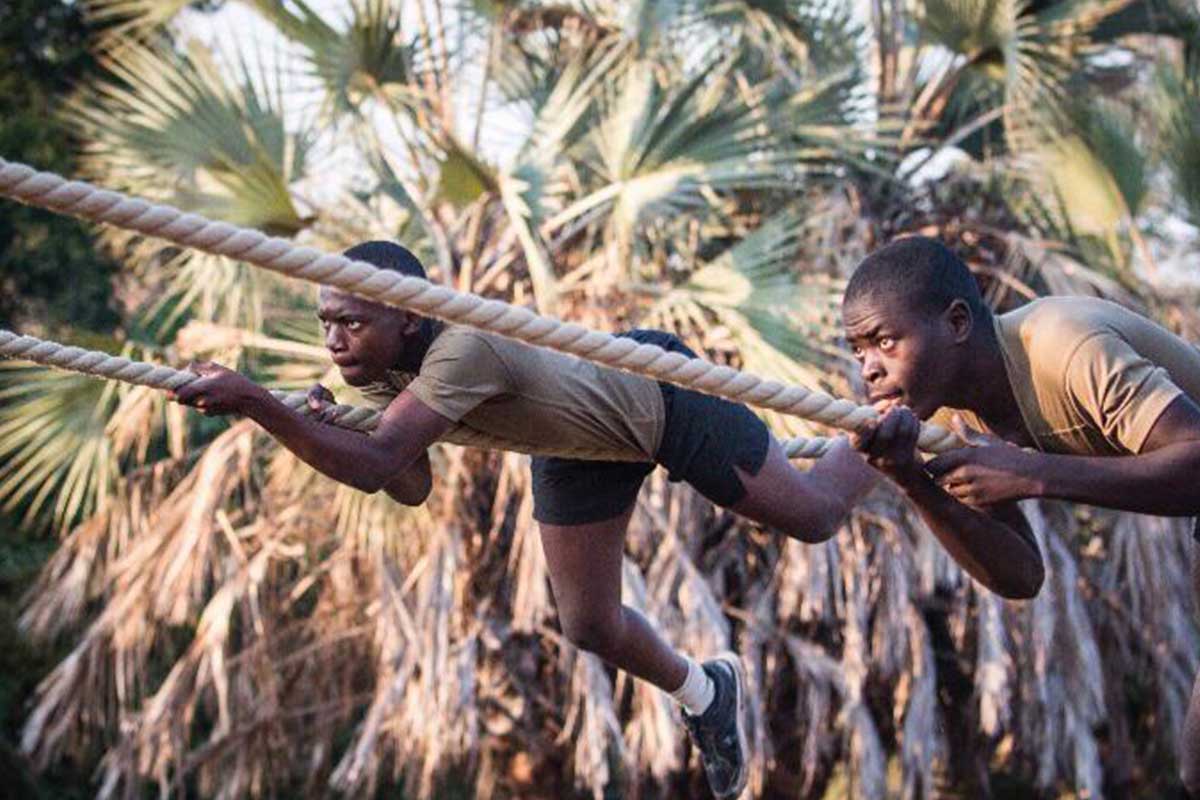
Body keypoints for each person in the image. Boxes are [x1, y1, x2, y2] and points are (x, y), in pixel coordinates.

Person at [170, 240, 877, 799]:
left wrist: (256, 403)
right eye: (326, 321)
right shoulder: (391, 375)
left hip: (658, 398)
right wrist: (325, 423)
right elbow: (410, 483)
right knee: (589, 625)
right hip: (573, 448)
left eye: (351, 322)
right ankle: (705, 690)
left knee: (814, 516)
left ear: (407, 316)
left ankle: (893, 426)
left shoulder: (461, 347)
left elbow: (380, 462)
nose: (333, 340)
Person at [842, 234, 1200, 794]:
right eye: (859, 350)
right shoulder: (968, 412)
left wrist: (1033, 474)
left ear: (957, 323)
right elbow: (1021, 574)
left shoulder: (1064, 348)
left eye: (886, 341)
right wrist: (913, 482)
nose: (869, 368)